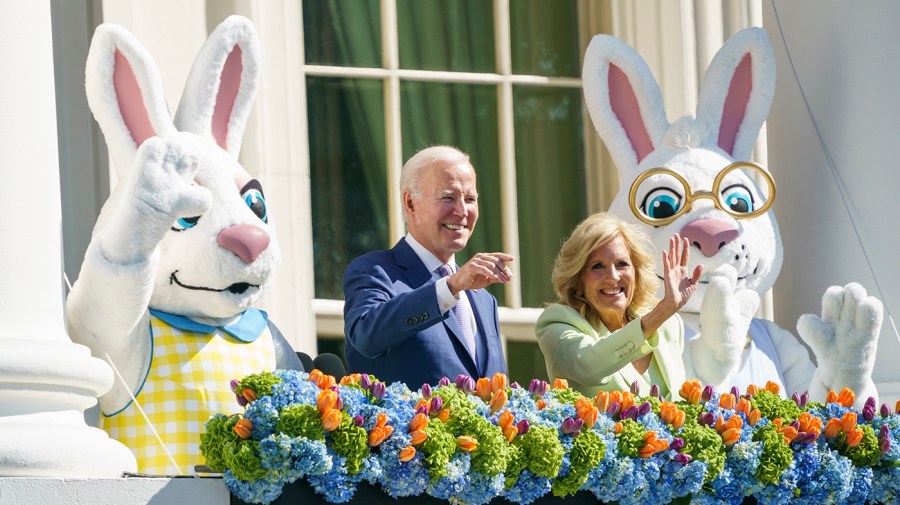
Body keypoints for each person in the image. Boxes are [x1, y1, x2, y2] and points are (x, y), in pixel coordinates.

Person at [343, 145, 513, 387]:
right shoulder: (374, 272)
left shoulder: (484, 300)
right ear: (410, 203)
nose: (462, 211)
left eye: (470, 199)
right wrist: (450, 287)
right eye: (448, 197)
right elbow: (366, 335)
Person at [535, 212, 702, 399]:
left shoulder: (669, 325)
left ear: (636, 273)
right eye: (597, 266)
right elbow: (588, 366)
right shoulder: (557, 322)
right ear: (578, 281)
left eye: (622, 264)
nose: (613, 277)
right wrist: (662, 311)